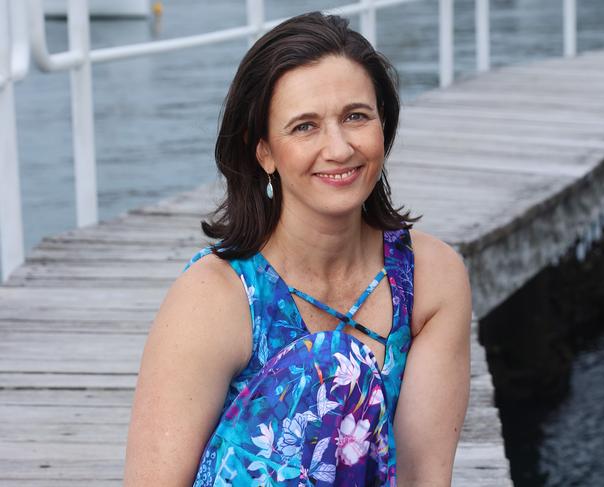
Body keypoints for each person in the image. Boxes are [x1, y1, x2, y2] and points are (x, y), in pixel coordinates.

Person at [123, 11, 471, 487]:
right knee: (326, 365)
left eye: (356, 117)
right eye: (305, 126)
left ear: (382, 127)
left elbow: (421, 477)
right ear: (263, 150)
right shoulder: (213, 298)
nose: (339, 148)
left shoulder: (432, 278)